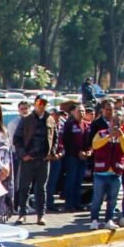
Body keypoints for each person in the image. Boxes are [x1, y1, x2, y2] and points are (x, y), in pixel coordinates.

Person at [12, 96, 56, 225]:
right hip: (28, 159)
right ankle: (22, 214)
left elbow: (55, 137)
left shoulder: (50, 119)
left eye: (44, 103)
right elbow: (17, 139)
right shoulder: (26, 119)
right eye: (39, 103)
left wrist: (51, 153)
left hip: (43, 159)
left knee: (41, 189)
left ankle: (40, 215)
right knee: (24, 187)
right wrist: (23, 154)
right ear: (35, 104)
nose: (41, 106)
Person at [88, 113, 124, 230]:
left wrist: (120, 136)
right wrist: (108, 137)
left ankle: (109, 220)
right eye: (114, 121)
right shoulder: (101, 133)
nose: (115, 124)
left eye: (119, 122)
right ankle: (94, 220)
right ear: (110, 123)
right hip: (100, 173)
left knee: (112, 200)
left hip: (115, 173)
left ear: (122, 124)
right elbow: (95, 145)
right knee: (97, 199)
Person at [62, 104, 90, 212]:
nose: (81, 113)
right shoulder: (69, 125)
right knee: (71, 180)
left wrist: (88, 151)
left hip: (83, 158)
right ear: (74, 113)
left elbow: (89, 141)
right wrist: (78, 152)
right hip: (72, 157)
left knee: (79, 181)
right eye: (79, 111)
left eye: (83, 111)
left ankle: (77, 203)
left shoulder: (87, 125)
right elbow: (67, 141)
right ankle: (69, 204)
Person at [45, 109, 66, 213]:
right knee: (44, 183)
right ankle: (43, 204)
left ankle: (50, 203)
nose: (57, 117)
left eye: (58, 115)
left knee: (53, 182)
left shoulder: (61, 126)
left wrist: (61, 153)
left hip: (57, 158)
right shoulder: (45, 126)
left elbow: (64, 142)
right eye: (55, 115)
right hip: (46, 158)